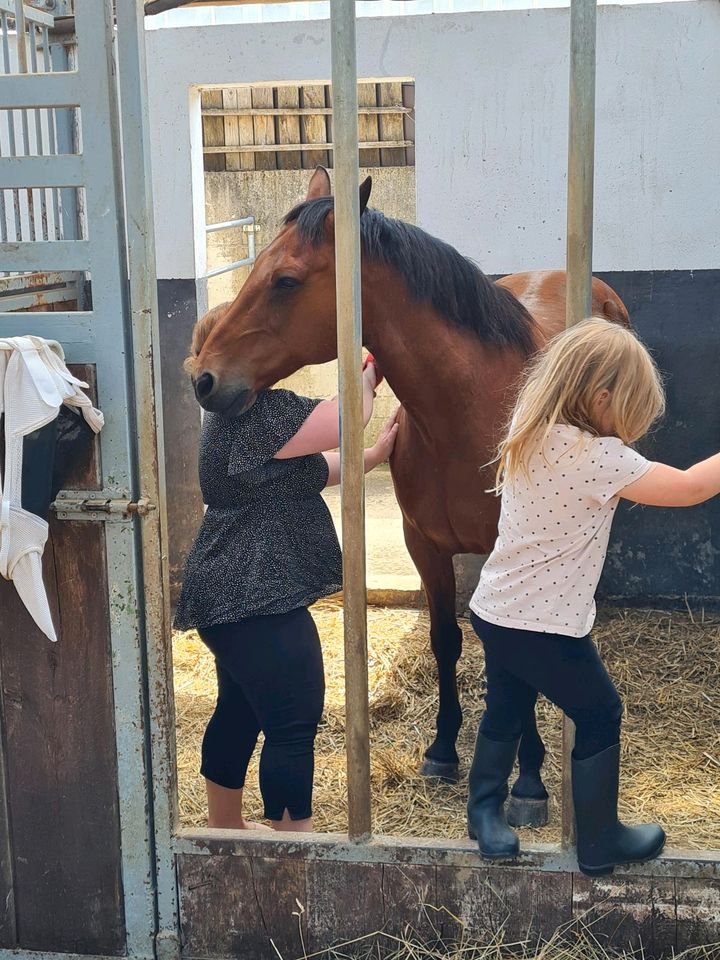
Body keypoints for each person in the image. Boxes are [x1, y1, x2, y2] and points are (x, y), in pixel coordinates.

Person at [467, 317, 720, 876]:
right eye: (627, 410)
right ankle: (600, 841)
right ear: (600, 396)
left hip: (497, 610)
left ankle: (484, 813)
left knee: (505, 709)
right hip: (543, 624)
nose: (630, 427)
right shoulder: (594, 457)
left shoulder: (530, 428)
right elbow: (690, 488)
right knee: (601, 711)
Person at [176, 302, 399, 832]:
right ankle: (290, 849)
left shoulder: (233, 418)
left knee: (241, 711)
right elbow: (348, 417)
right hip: (258, 598)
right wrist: (372, 368)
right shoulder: (259, 415)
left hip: (231, 598)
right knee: (293, 721)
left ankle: (225, 830)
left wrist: (374, 456)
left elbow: (311, 469)